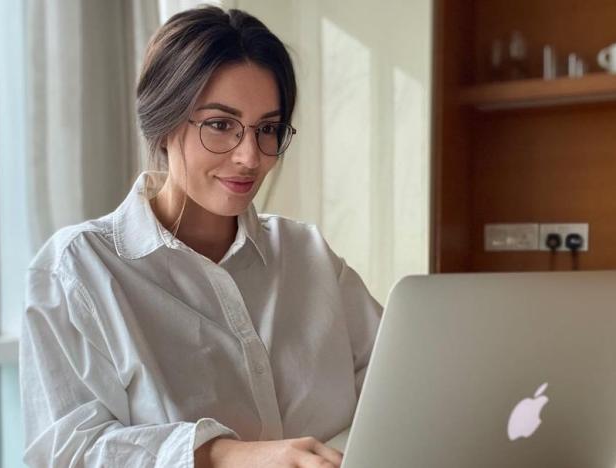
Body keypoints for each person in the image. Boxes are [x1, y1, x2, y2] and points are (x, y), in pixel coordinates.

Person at [20, 6, 381, 468]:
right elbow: (68, 451)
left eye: (267, 129)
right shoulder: (76, 269)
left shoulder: (307, 254)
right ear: (165, 121)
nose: (249, 157)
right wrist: (224, 455)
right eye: (220, 125)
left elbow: (398, 379)